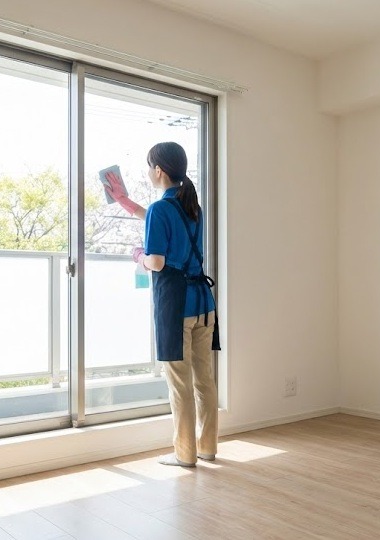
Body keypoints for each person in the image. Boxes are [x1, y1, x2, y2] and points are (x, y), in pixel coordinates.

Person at [104, 142, 220, 467]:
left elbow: (156, 261)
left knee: (180, 385)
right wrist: (125, 202)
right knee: (204, 381)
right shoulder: (192, 207)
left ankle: (185, 454)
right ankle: (207, 447)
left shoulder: (162, 209)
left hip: (177, 307)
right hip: (205, 306)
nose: (147, 172)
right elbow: (157, 219)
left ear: (158, 170)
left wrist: (138, 256)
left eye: (148, 166)